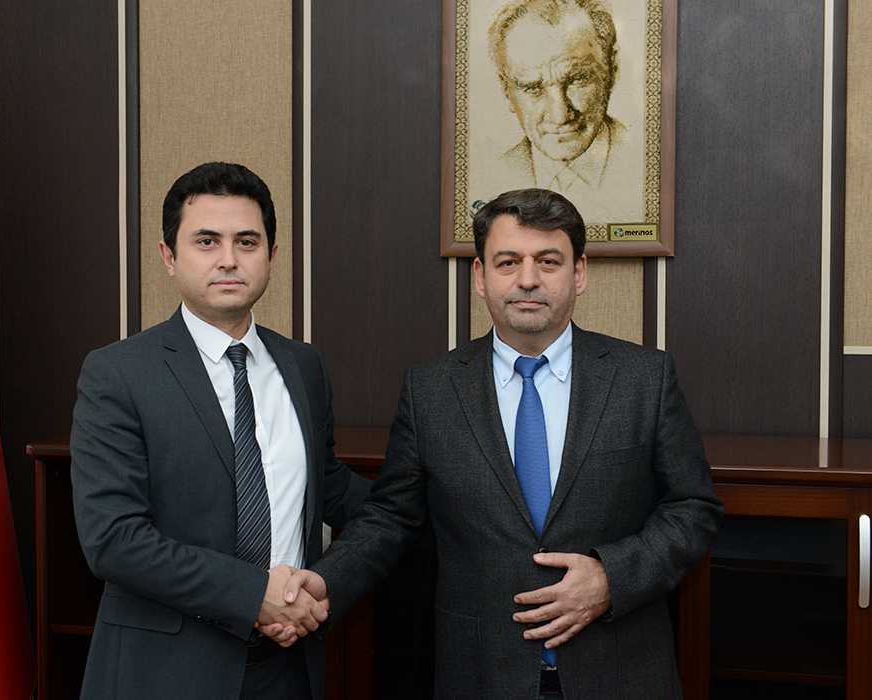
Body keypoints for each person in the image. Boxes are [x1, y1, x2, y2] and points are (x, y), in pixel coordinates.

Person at [282, 188, 724, 698]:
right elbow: (391, 517)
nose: (528, 279)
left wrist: (611, 578)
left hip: (621, 673)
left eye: (548, 261)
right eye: (508, 261)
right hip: (481, 674)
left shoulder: (644, 378)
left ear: (579, 273)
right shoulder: (430, 389)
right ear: (480, 276)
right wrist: (327, 581)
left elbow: (693, 507)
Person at [71, 161, 371, 700]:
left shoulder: (303, 365)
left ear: (272, 256)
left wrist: (439, 503)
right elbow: (113, 541)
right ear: (169, 256)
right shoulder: (118, 372)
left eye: (246, 242)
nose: (229, 259)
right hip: (166, 674)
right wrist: (256, 595)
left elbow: (326, 488)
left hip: (288, 667)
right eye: (206, 241)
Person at [489, 0, 627, 198]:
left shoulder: (644, 157)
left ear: (612, 70)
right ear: (506, 91)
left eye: (577, 80)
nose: (560, 116)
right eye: (532, 88)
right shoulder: (496, 171)